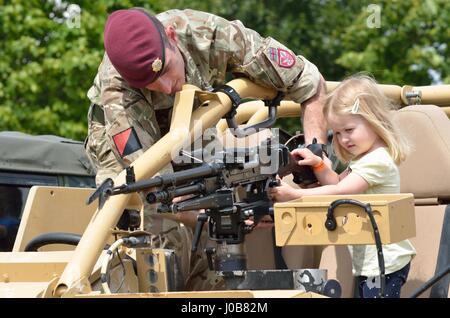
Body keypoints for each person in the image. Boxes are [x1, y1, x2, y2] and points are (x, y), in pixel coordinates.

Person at [85, 7, 328, 291]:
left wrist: (316, 153)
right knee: (157, 234)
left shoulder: (208, 33)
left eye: (164, 70)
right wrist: (217, 215)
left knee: (213, 205)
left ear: (172, 37)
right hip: (127, 145)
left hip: (193, 120)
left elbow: (309, 82)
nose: (164, 87)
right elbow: (154, 192)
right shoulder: (119, 95)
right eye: (151, 82)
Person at [269, 74, 416, 298]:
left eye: (349, 130)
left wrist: (294, 195)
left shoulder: (378, 161)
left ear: (373, 120)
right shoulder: (364, 159)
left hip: (385, 263)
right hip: (373, 262)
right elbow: (338, 182)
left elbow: (340, 191)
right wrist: (319, 165)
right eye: (337, 133)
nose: (344, 139)